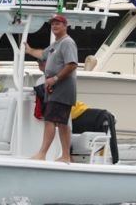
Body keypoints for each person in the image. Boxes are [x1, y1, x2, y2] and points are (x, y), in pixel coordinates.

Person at [25, 14, 78, 163]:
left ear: (65, 26)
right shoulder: (55, 44)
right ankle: (65, 156)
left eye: (58, 24)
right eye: (53, 24)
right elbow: (42, 54)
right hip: (54, 88)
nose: (54, 26)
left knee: (50, 120)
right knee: (62, 122)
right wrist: (29, 50)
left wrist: (55, 79)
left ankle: (42, 154)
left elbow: (72, 64)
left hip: (62, 88)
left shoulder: (67, 43)